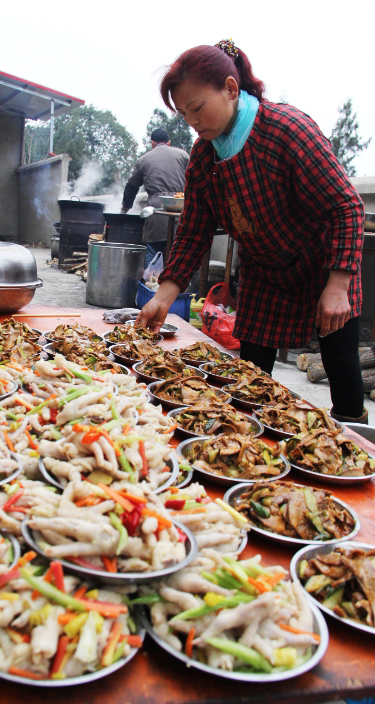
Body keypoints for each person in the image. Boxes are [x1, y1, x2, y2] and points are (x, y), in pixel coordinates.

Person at [136, 39, 367, 424]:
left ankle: (354, 445)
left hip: (324, 263)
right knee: (252, 371)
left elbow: (346, 205)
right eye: (186, 117)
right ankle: (247, 432)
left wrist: (338, 285)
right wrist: (164, 295)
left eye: (198, 109)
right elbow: (194, 231)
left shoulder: (287, 129)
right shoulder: (204, 156)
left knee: (340, 359)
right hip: (263, 270)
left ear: (230, 88)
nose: (194, 123)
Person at [121, 127, 189, 268]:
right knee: (178, 253)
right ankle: (179, 288)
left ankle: (150, 285)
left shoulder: (144, 159)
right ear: (168, 142)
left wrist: (125, 207)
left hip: (156, 210)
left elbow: (132, 186)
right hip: (180, 209)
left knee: (152, 250)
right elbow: (196, 179)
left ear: (152, 143)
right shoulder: (183, 155)